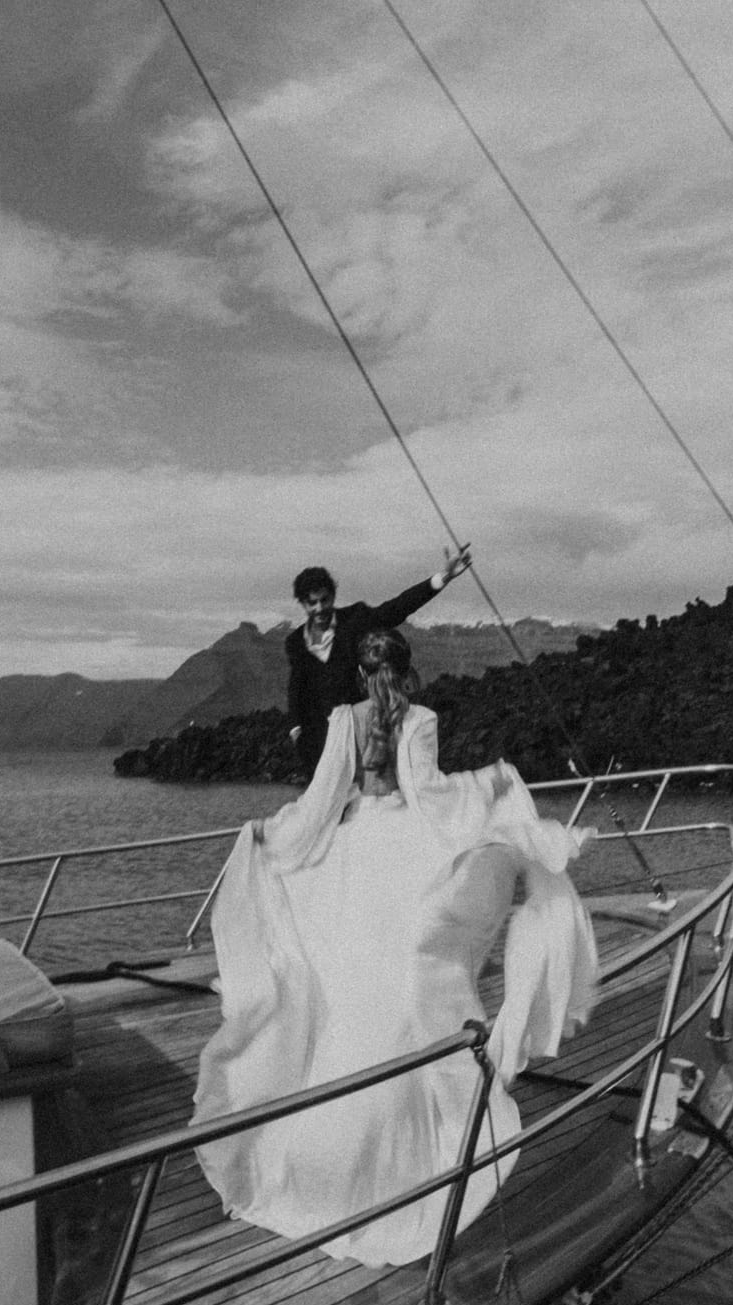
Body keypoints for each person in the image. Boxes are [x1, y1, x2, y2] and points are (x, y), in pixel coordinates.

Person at [194, 628, 600, 1268]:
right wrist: (489, 783)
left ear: (359, 675)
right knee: (405, 990)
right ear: (407, 671)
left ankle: (315, 1156)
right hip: (402, 847)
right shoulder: (421, 717)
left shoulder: (345, 719)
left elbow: (327, 795)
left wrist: (280, 836)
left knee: (341, 988)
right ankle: (402, 1149)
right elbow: (430, 793)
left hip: (356, 849)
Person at [285, 543, 472, 778]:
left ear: (333, 596)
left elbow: (396, 608)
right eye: (312, 603)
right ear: (303, 604)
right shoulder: (295, 642)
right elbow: (296, 687)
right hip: (318, 743)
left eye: (325, 599)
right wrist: (295, 729)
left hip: (360, 732)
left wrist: (443, 578)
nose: (320, 608)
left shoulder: (355, 619)